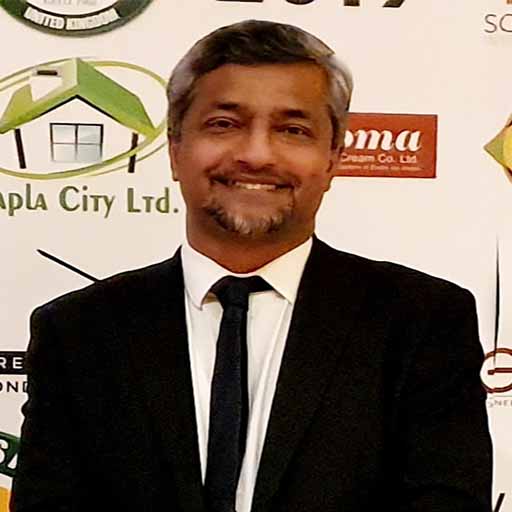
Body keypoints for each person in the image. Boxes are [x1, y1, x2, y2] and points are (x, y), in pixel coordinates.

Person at [11, 19, 492, 512]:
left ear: (332, 158)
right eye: (224, 124)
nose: (257, 155)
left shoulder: (422, 321)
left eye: (292, 130)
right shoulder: (78, 330)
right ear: (175, 150)